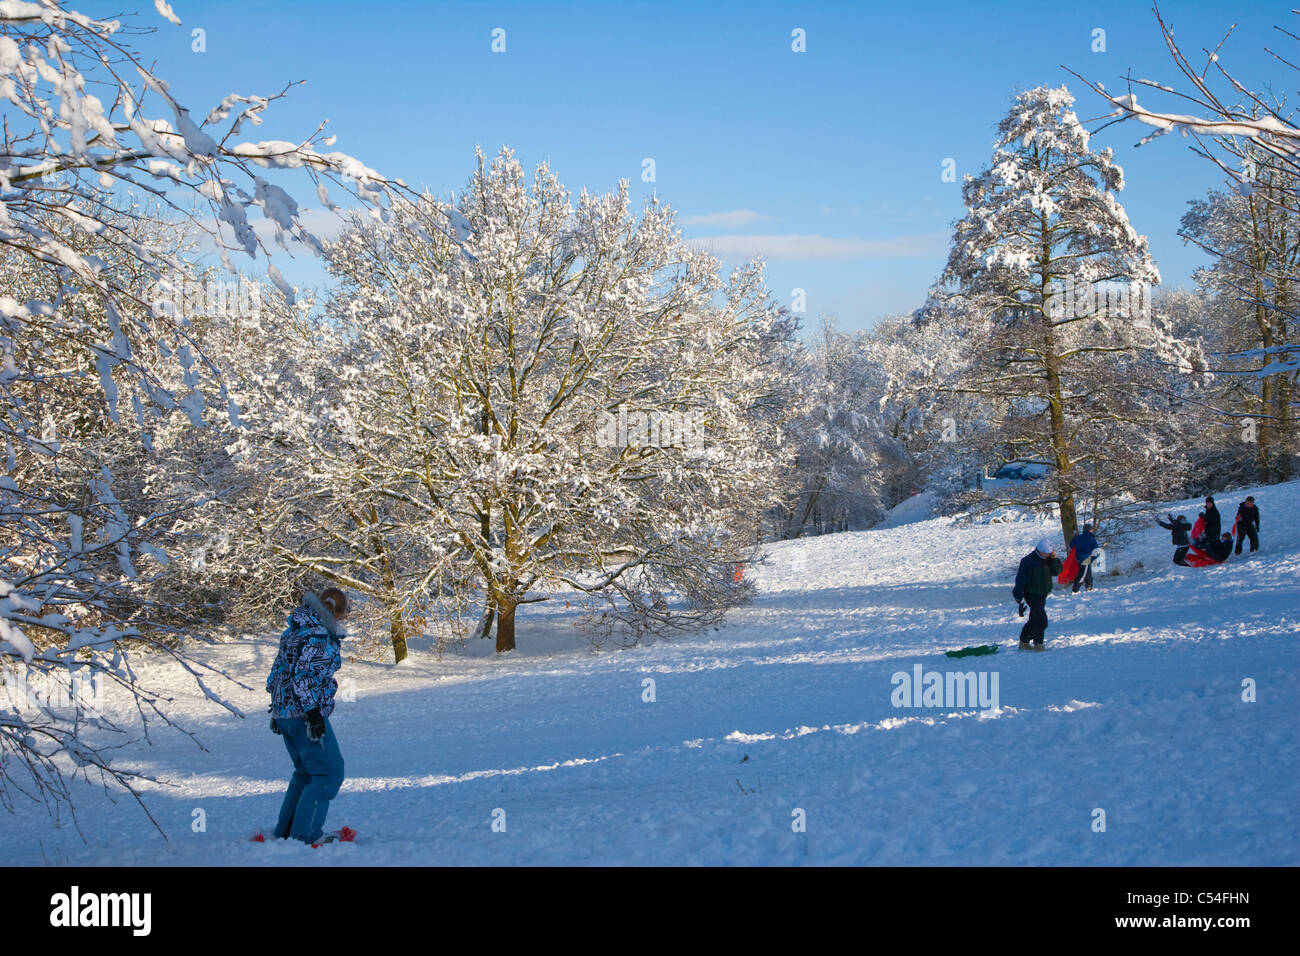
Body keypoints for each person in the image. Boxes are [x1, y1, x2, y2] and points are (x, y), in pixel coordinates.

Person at [267, 587, 349, 844]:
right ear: (333, 611)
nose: (341, 621)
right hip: (305, 714)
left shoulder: (295, 630)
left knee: (305, 773)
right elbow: (304, 677)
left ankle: (286, 832)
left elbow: (278, 671)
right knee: (329, 773)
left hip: (286, 713)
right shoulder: (320, 636)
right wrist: (313, 714)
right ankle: (306, 835)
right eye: (342, 615)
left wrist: (278, 708)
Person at [1012, 538, 1064, 651]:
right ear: (1039, 550)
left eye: (1049, 553)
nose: (1047, 554)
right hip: (1031, 594)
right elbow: (1020, 579)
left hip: (1043, 593)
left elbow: (1057, 571)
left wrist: (1054, 559)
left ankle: (1036, 643)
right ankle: (1027, 641)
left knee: (1035, 619)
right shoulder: (1027, 561)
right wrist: (1018, 594)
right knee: (1042, 621)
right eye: (1046, 553)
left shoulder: (1049, 559)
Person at [1068, 522, 1099, 593]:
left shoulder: (1078, 537)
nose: (1092, 530)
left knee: (1087, 572)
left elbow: (1071, 545)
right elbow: (1096, 549)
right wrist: (1093, 558)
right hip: (1086, 558)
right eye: (1092, 529)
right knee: (1083, 574)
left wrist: (1078, 552)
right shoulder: (1091, 538)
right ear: (1089, 530)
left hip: (1079, 558)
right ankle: (1076, 588)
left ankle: (1089, 586)